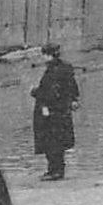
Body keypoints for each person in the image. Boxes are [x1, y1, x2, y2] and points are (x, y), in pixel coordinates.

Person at [31, 43, 81, 180]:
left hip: (51, 111)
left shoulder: (53, 71)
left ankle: (55, 171)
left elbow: (50, 92)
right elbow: (72, 87)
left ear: (48, 55)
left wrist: (36, 93)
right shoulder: (64, 68)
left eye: (43, 54)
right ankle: (56, 169)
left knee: (51, 141)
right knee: (58, 141)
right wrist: (73, 100)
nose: (42, 58)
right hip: (62, 110)